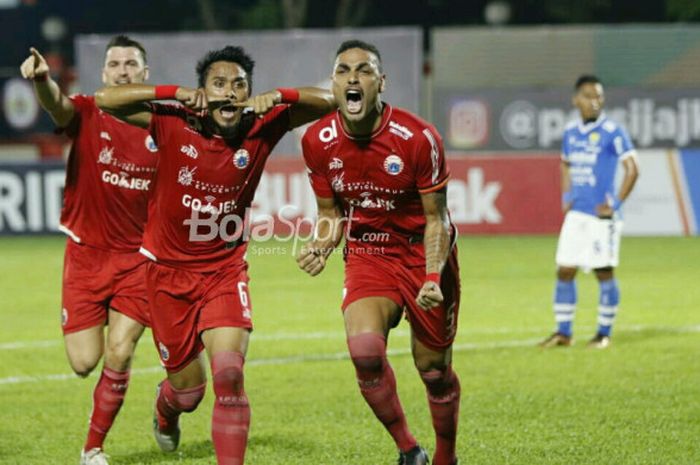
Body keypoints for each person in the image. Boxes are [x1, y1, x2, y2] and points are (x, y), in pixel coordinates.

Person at [95, 45, 334, 465]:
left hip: (224, 271)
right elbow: (105, 100)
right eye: (218, 84)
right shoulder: (173, 121)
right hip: (166, 276)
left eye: (239, 84)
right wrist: (174, 92)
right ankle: (165, 408)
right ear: (203, 92)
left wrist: (279, 96)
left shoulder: (262, 124)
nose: (229, 93)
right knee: (189, 393)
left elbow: (329, 100)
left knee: (229, 375)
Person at [297, 40, 461, 465]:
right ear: (333, 84)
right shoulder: (317, 140)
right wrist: (322, 244)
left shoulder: (419, 138)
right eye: (343, 70)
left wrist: (431, 275)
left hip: (421, 253)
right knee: (366, 353)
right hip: (370, 253)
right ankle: (409, 450)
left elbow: (436, 219)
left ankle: (447, 455)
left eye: (364, 70)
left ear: (381, 83)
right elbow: (330, 214)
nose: (353, 77)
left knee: (434, 370)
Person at [20, 36, 156, 465]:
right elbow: (55, 105)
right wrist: (43, 81)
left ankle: (92, 448)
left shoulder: (163, 125)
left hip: (138, 260)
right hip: (85, 257)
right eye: (114, 64)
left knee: (120, 350)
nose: (122, 71)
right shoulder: (87, 110)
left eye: (131, 64)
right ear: (103, 74)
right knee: (83, 363)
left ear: (145, 74)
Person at [540, 74, 639, 349]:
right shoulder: (571, 132)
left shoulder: (612, 131)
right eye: (588, 96)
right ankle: (563, 333)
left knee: (603, 272)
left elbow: (633, 169)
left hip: (601, 217)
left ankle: (603, 334)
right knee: (564, 270)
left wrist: (615, 204)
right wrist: (566, 195)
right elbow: (565, 164)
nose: (594, 102)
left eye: (598, 96)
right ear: (576, 99)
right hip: (577, 214)